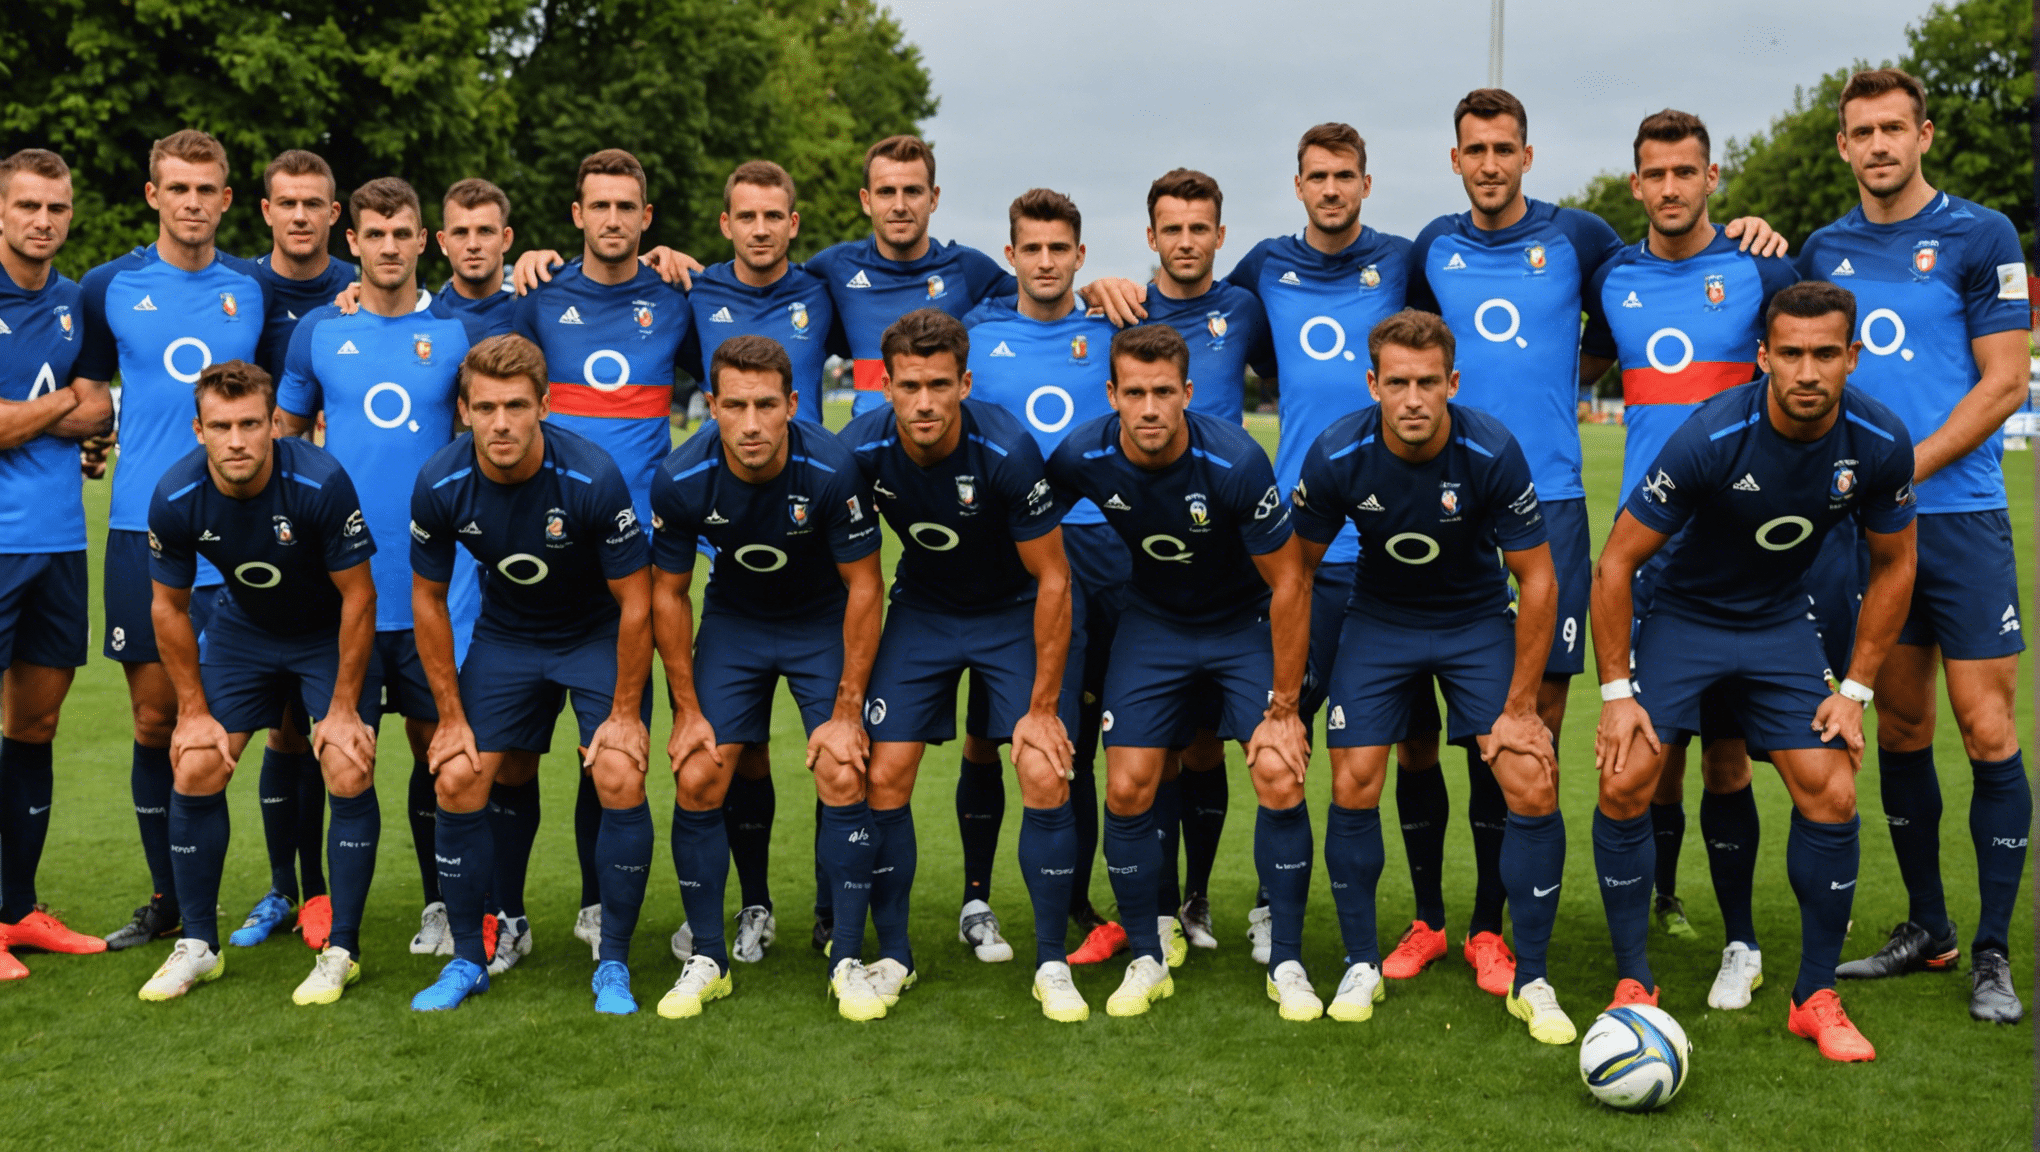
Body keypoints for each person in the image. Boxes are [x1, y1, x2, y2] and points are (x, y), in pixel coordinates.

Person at [1590, 280, 1918, 1063]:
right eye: (1793, 355)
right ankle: (1634, 981)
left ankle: (1813, 997)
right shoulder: (1710, 435)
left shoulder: (1878, 439)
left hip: (1778, 622)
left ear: (1852, 356)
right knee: (1625, 777)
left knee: (1833, 787)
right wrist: (1615, 695)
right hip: (1683, 617)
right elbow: (1616, 563)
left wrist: (1857, 692)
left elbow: (1896, 561)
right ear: (1764, 357)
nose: (1808, 372)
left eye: (1826, 355)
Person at [1797, 68, 2032, 1026]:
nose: (1880, 144)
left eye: (1896, 127)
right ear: (1845, 146)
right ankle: (1929, 928)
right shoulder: (1824, 248)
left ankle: (1993, 950)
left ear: (1924, 134)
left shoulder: (1985, 236)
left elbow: (2005, 383)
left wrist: (1900, 470)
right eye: (1863, 131)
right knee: (1898, 728)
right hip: (1867, 533)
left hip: (1962, 520)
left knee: (1988, 729)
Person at [1291, 309, 1569, 1042]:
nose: (1412, 399)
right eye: (1397, 383)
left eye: (1427, 383)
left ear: (1451, 383)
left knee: (1528, 772)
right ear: (1373, 384)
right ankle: (1364, 960)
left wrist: (1519, 707)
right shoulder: (1338, 451)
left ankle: (1530, 974)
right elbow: (1295, 573)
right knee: (1355, 777)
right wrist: (1283, 702)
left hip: (1476, 620)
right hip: (1380, 621)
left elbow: (1538, 580)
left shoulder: (1491, 449)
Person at [1221, 123, 1449, 981]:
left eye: (1344, 176)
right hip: (1298, 551)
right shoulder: (1263, 268)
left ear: (1365, 183)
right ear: (1297, 185)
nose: (1330, 189)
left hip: (1397, 550)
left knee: (1414, 742)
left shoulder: (1401, 262)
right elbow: (1193, 305)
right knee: (1281, 728)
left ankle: (1425, 917)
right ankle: (1267, 904)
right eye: (1316, 176)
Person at [1584, 108, 1797, 1005]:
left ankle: (1741, 939)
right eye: (1655, 174)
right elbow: (1572, 361)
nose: (1671, 188)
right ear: (1636, 185)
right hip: (1650, 546)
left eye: (1687, 172)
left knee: (1730, 757)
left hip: (1747, 549)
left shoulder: (1764, 267)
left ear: (1713, 178)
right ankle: (1663, 900)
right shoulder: (1611, 276)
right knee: (1650, 749)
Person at [1043, 324, 1313, 1019]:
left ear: (1188, 394)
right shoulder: (1084, 452)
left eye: (1165, 392)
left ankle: (1286, 960)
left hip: (1239, 623)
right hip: (1154, 624)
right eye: (1135, 393)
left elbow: (1289, 583)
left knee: (1278, 771)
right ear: (1112, 395)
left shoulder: (1235, 462)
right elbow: (1026, 521)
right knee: (1129, 783)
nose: (1151, 407)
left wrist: (1284, 708)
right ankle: (1146, 956)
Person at [275, 177, 497, 964]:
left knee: (440, 747)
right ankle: (339, 928)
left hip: (441, 587)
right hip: (346, 591)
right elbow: (284, 439)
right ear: (355, 244)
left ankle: (444, 907)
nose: (390, 246)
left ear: (421, 240)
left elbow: (488, 446)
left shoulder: (458, 333)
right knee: (344, 752)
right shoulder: (317, 334)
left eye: (404, 233)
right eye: (376, 235)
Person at [842, 309, 1087, 1020]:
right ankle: (893, 954)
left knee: (1041, 767)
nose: (924, 401)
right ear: (885, 385)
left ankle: (1050, 962)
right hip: (922, 610)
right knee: (884, 773)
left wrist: (1041, 709)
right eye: (910, 385)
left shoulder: (1007, 450)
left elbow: (1054, 580)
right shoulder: (859, 450)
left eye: (939, 385)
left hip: (1011, 610)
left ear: (965, 383)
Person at [407, 333, 654, 1014]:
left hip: (594, 634)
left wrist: (626, 714)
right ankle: (472, 954)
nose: (502, 423)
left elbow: (638, 601)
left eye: (517, 405)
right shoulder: (441, 482)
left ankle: (614, 963)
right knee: (460, 772)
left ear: (544, 404)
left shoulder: (591, 476)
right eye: (486, 407)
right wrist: (451, 717)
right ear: (464, 410)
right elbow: (426, 600)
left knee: (617, 771)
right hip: (508, 638)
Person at [74, 129, 270, 952]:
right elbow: (86, 390)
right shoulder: (106, 287)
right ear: (152, 195)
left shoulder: (255, 289)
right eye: (177, 189)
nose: (193, 202)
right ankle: (172, 899)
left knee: (279, 719)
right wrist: (92, 434)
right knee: (157, 722)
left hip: (248, 535)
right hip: (141, 532)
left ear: (228, 199)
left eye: (208, 189)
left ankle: (299, 896)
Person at [648, 334, 882, 1020]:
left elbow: (865, 587)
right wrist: (687, 711)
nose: (751, 424)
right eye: (736, 406)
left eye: (766, 406)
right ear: (710, 406)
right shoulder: (682, 477)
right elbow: (669, 594)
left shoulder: (832, 468)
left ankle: (844, 954)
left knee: (842, 766)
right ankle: (710, 956)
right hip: (737, 622)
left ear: (792, 406)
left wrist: (845, 711)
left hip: (819, 622)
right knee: (699, 771)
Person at [137, 359, 379, 1004]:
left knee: (347, 762)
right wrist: (191, 710)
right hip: (246, 632)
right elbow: (167, 606)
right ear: (198, 430)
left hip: (326, 633)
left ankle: (342, 949)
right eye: (222, 426)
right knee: (195, 762)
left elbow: (359, 597)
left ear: (274, 424)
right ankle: (197, 945)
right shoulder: (175, 495)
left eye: (250, 424)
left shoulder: (320, 482)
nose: (237, 440)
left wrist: (346, 707)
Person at [511, 149, 687, 964]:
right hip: (541, 546)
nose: (613, 219)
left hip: (641, 557)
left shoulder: (678, 294)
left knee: (613, 743)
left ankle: (593, 904)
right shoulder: (537, 296)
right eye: (598, 206)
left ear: (646, 219)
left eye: (628, 207)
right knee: (513, 747)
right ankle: (501, 911)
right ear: (575, 215)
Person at [663, 162, 840, 963]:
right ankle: (748, 908)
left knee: (844, 761)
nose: (762, 227)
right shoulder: (688, 288)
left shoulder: (830, 284)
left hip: (818, 587)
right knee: (716, 762)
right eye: (747, 215)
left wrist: (1091, 287)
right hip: (734, 591)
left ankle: (838, 914)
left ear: (795, 224)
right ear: (725, 222)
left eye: (776, 214)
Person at [962, 189, 1124, 966]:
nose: (1047, 261)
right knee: (1001, 737)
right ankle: (982, 897)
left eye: (1061, 249)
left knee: (1102, 738)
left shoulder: (1110, 329)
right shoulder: (977, 335)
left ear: (1080, 257)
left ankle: (1109, 903)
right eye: (1033, 248)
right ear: (1011, 256)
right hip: (1008, 559)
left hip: (1102, 550)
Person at [222, 148, 361, 953]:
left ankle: (319, 899)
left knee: (321, 724)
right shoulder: (241, 288)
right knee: (276, 726)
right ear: (266, 210)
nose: (302, 215)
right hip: (238, 524)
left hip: (319, 524)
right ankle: (284, 889)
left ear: (332, 212)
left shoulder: (355, 287)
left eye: (316, 203)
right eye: (288, 203)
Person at [1128, 168, 1271, 950]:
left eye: (1199, 228)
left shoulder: (1245, 306)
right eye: (1171, 229)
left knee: (1206, 740)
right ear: (1151, 237)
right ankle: (1139, 906)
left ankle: (1196, 898)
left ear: (1221, 235)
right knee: (1144, 744)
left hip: (1231, 545)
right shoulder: (1119, 306)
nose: (1186, 242)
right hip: (1141, 551)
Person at [0, 148, 116, 976]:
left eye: (57, 208)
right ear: (2, 212)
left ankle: (17, 908)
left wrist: (42, 416)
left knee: (35, 725)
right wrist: (57, 412)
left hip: (60, 545)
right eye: (29, 206)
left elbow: (101, 405)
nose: (44, 221)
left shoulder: (77, 301)